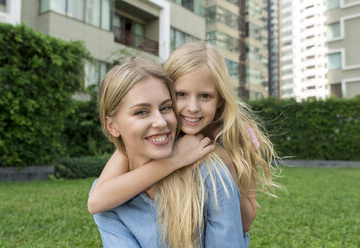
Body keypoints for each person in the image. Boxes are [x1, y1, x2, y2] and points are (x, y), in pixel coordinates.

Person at [89, 43, 280, 245]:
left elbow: (245, 223)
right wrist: (174, 159)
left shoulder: (235, 134)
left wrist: (227, 166)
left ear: (220, 100)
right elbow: (97, 200)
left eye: (205, 96)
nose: (192, 108)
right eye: (181, 94)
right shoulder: (153, 135)